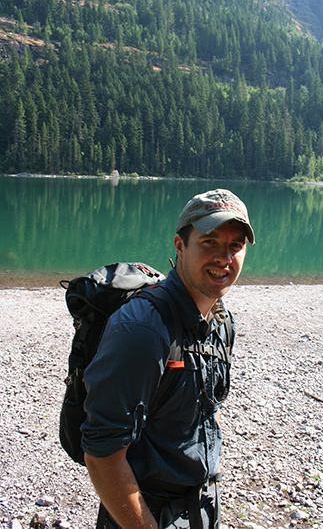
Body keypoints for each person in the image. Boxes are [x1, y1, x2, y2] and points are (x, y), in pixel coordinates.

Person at [81, 188, 255, 529]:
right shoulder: (144, 330)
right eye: (209, 242)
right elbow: (101, 455)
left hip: (199, 509)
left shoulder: (221, 322)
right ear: (180, 245)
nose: (224, 257)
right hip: (142, 514)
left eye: (235, 245)